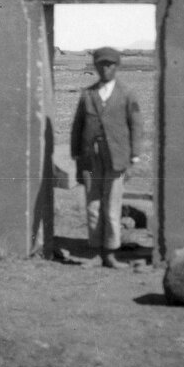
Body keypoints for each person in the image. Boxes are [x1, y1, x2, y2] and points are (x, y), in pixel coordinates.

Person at [70, 46, 143, 268]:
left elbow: (136, 126)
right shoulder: (87, 94)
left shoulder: (127, 93)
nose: (105, 69)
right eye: (101, 64)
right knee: (93, 205)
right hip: (91, 159)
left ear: (117, 66)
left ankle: (110, 252)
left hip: (116, 158)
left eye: (110, 65)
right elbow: (77, 127)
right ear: (95, 67)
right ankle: (95, 252)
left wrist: (134, 158)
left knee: (112, 206)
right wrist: (77, 156)